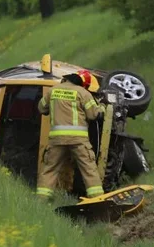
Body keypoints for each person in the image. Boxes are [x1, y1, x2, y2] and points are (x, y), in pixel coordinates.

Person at [36, 70, 104, 201]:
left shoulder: (53, 91)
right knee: (88, 168)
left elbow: (41, 108)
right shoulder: (83, 93)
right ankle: (97, 200)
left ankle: (41, 201)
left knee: (49, 169)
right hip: (78, 140)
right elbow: (93, 115)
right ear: (83, 84)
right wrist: (101, 107)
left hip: (57, 140)